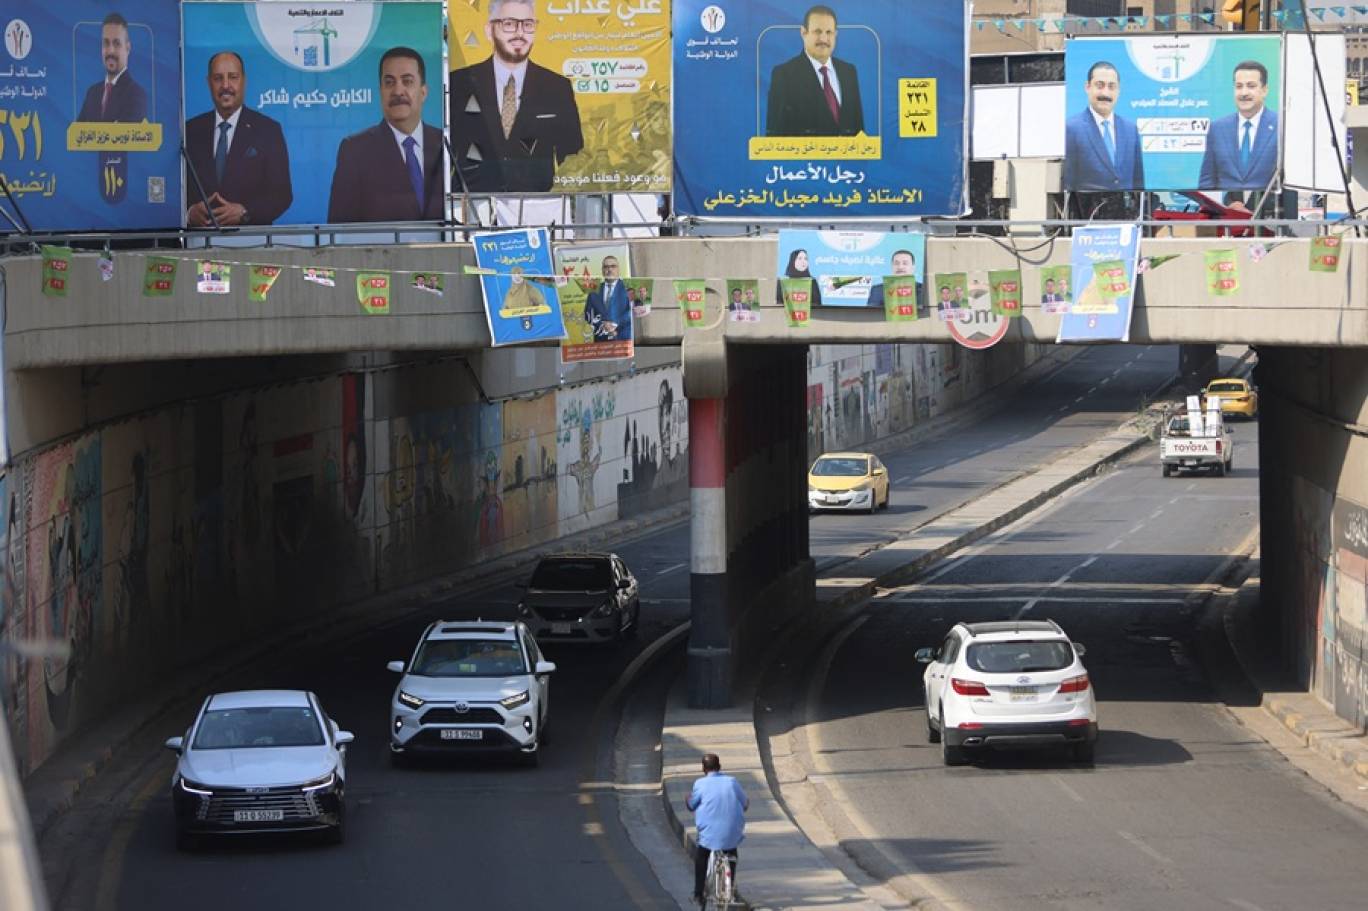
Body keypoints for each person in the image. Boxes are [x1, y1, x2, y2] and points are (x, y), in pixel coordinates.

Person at [449, 0, 584, 192]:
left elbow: (572, 154)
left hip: (535, 202)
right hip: (473, 200)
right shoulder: (459, 83)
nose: (520, 33)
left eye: (527, 24)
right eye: (509, 24)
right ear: (489, 30)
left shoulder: (557, 86)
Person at [328, 47, 445, 223]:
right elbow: (339, 226)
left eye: (407, 81)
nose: (398, 91)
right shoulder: (355, 150)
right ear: (380, 91)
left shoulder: (444, 144)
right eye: (389, 82)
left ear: (423, 92)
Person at [185, 51, 293, 227]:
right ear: (208, 83)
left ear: (244, 80)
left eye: (233, 77)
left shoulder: (268, 130)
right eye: (218, 78)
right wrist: (189, 213)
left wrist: (245, 212)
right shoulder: (189, 130)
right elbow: (175, 190)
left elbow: (282, 195)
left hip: (251, 240)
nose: (225, 85)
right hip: (199, 240)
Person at [766, 5, 864, 137]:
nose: (823, 39)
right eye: (817, 31)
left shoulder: (849, 72)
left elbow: (859, 132)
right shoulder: (784, 75)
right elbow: (775, 138)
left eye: (829, 32)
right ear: (803, 33)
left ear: (836, 34)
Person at [1062, 61, 1144, 191]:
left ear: (1118, 90)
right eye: (1099, 85)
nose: (1105, 93)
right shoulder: (1071, 129)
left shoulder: (1130, 130)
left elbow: (1138, 183)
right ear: (1087, 87)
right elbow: (1067, 184)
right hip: (1088, 204)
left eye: (1111, 86)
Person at [1199, 61, 1280, 192]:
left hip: (1267, 204)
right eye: (1239, 86)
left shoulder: (1281, 127)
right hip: (1225, 205)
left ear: (1264, 90)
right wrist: (1227, 202)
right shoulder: (1217, 129)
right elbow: (1206, 182)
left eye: (1251, 86)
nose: (1244, 93)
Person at [686, 753, 748, 906]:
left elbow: (691, 806)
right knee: (731, 852)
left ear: (703, 769)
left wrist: (687, 799)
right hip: (732, 833)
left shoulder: (700, 784)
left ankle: (698, 893)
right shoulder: (732, 782)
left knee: (701, 857)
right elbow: (745, 804)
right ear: (719, 767)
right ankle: (730, 887)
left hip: (709, 835)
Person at [76, 13, 147, 122]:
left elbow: (124, 132)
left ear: (128, 48)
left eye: (117, 43)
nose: (110, 51)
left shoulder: (136, 95)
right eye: (106, 43)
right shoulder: (92, 93)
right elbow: (77, 131)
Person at [584, 255, 632, 340]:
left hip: (622, 339)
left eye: (613, 266)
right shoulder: (594, 290)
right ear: (602, 270)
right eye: (606, 267)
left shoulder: (629, 288)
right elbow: (588, 314)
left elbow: (631, 312)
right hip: (601, 342)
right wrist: (602, 325)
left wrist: (615, 325)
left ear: (618, 269)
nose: (609, 269)